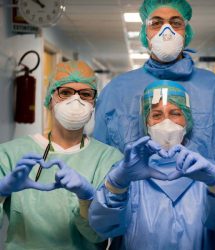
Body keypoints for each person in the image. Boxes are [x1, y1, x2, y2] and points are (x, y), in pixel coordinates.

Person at [89, 80, 215, 250]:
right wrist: (116, 185)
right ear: (145, 122)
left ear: (187, 119)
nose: (166, 122)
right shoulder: (127, 172)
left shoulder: (208, 171)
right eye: (156, 115)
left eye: (175, 113)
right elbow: (103, 227)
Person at [93, 0, 215, 166]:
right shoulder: (116, 91)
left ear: (186, 31)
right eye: (156, 23)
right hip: (132, 191)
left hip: (205, 190)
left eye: (175, 23)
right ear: (145, 32)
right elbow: (102, 158)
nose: (166, 32)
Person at [0, 60, 123, 250]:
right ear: (49, 98)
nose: (75, 101)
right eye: (65, 92)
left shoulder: (108, 159)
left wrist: (87, 199)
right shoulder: (10, 153)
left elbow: (100, 234)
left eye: (85, 94)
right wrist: (1, 193)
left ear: (93, 104)